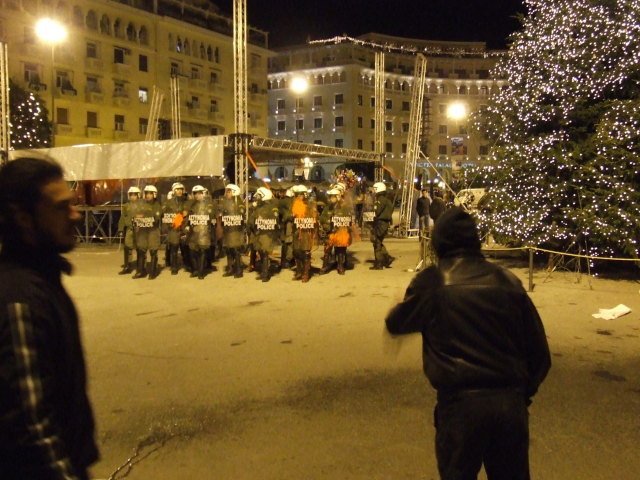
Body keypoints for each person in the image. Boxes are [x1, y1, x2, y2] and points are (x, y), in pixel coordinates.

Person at [385, 207, 551, 480]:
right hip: (510, 406)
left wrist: (399, 305)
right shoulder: (507, 281)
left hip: (460, 407)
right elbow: (540, 354)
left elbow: (397, 323)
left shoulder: (433, 281)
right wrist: (522, 395)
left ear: (439, 241)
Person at [0, 156, 99, 479]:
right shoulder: (21, 299)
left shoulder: (43, 279)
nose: (76, 214)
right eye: (61, 207)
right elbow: (32, 427)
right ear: (24, 218)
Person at [247, 187, 280, 282]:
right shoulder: (258, 207)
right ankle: (263, 272)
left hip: (266, 234)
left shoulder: (271, 207)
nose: (257, 197)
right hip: (259, 233)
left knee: (265, 253)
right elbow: (252, 219)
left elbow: (275, 220)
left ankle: (265, 274)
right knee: (261, 252)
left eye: (259, 195)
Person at [185, 185, 216, 279]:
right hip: (193, 232)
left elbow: (212, 216)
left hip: (204, 231)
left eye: (199, 193)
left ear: (203, 194)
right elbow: (188, 217)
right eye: (195, 193)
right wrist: (187, 225)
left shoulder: (209, 204)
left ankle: (201, 272)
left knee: (202, 251)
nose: (197, 195)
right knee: (192, 251)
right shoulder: (192, 205)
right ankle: (195, 269)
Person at [132, 184, 162, 279]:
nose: (148, 195)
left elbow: (156, 217)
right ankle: (141, 271)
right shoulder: (141, 204)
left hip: (153, 230)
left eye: (150, 193)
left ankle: (153, 272)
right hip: (142, 230)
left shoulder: (157, 204)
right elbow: (136, 214)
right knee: (141, 250)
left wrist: (144, 216)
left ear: (154, 194)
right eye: (146, 193)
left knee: (153, 250)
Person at [290, 184, 318, 282]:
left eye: (300, 195)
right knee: (296, 252)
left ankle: (306, 273)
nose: (298, 197)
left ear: (305, 195)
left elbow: (314, 218)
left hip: (306, 233)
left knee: (305, 253)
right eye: (297, 195)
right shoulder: (293, 205)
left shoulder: (309, 206)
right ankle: (299, 271)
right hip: (297, 232)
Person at [162, 182, 189, 275]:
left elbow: (190, 213)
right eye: (177, 189)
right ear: (174, 191)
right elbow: (165, 215)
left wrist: (187, 213)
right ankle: (174, 267)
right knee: (174, 249)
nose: (179, 191)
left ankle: (187, 265)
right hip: (173, 229)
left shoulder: (186, 201)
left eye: (181, 189)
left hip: (184, 228)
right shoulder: (168, 203)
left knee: (185, 248)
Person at [220, 183, 246, 278]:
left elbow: (241, 212)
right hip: (228, 229)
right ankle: (230, 269)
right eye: (227, 191)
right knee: (229, 250)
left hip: (235, 231)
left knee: (235, 250)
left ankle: (238, 270)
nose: (227, 193)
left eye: (229, 191)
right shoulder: (226, 201)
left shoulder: (238, 202)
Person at [369, 181, 394, 270]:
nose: (373, 191)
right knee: (378, 241)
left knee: (377, 243)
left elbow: (377, 211)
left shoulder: (380, 200)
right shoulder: (386, 200)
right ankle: (387, 258)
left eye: (375, 189)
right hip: (384, 223)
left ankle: (379, 263)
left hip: (380, 223)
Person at [117, 185, 141, 274]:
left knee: (140, 248)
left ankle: (141, 267)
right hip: (130, 229)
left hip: (140, 229)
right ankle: (127, 266)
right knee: (127, 248)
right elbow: (123, 217)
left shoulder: (142, 205)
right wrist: (120, 228)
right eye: (131, 194)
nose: (133, 196)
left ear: (138, 195)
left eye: (135, 194)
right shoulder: (126, 206)